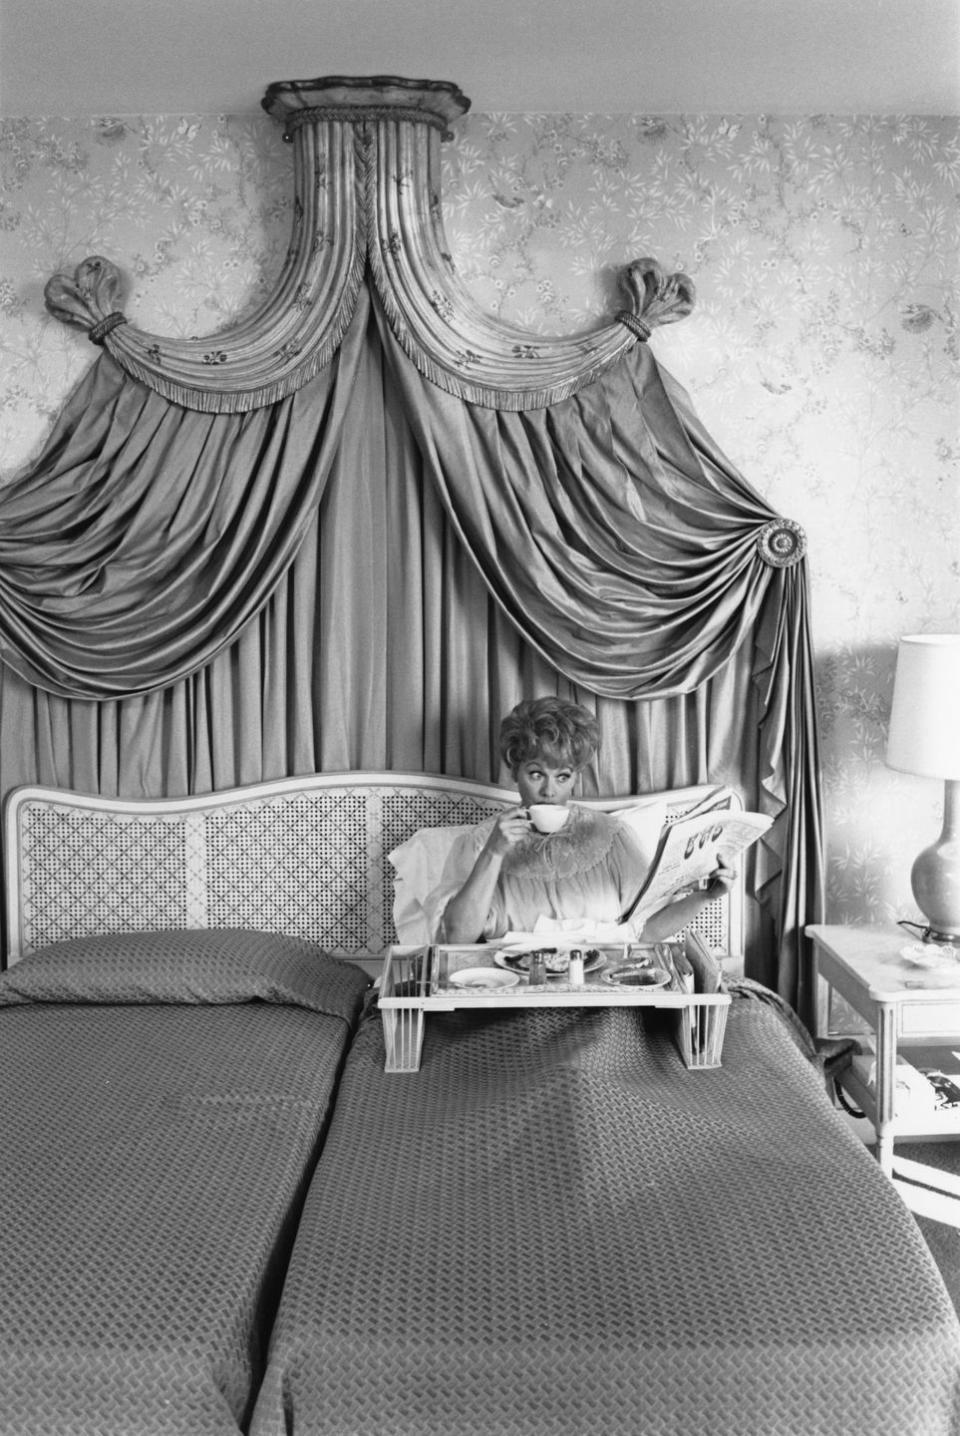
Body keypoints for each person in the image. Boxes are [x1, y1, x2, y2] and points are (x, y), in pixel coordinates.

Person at [439, 696, 734, 944]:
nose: (549, 791)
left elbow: (644, 933)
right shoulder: (481, 842)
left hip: (604, 990)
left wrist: (706, 896)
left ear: (575, 778)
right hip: (512, 991)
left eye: (562, 776)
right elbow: (456, 938)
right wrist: (494, 852)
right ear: (515, 772)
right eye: (536, 774)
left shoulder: (612, 836)